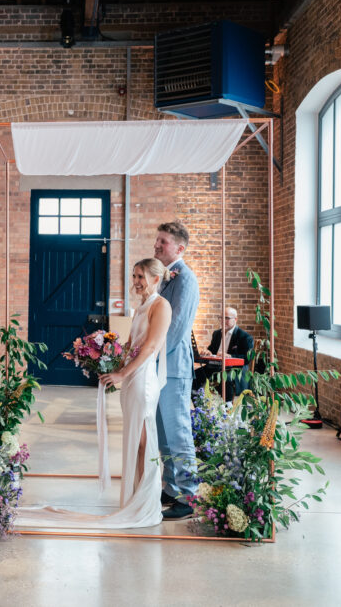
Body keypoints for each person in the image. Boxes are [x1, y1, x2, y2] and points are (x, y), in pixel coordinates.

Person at [16, 258, 172, 530]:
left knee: (145, 441)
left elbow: (150, 348)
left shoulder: (161, 306)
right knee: (134, 441)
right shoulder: (141, 308)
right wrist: (109, 362)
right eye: (134, 276)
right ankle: (136, 497)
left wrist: (123, 374)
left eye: (140, 277)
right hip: (131, 380)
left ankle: (147, 502)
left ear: (156, 278)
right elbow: (131, 346)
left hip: (143, 380)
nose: (135, 282)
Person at [153, 221, 200, 520]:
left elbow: (176, 329)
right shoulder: (166, 278)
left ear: (179, 248)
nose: (156, 245)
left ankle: (189, 495)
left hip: (173, 369)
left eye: (163, 242)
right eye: (156, 240)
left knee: (179, 433)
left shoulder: (185, 280)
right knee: (163, 435)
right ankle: (170, 488)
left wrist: (148, 358)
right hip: (159, 369)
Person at [193, 307, 254, 400]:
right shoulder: (217, 334)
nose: (223, 321)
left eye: (227, 318)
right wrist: (207, 352)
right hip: (216, 367)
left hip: (235, 370)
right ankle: (198, 403)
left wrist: (230, 356)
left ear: (235, 319)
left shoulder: (245, 337)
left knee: (225, 377)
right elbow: (212, 350)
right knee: (195, 375)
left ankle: (227, 407)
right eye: (221, 318)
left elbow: (247, 358)